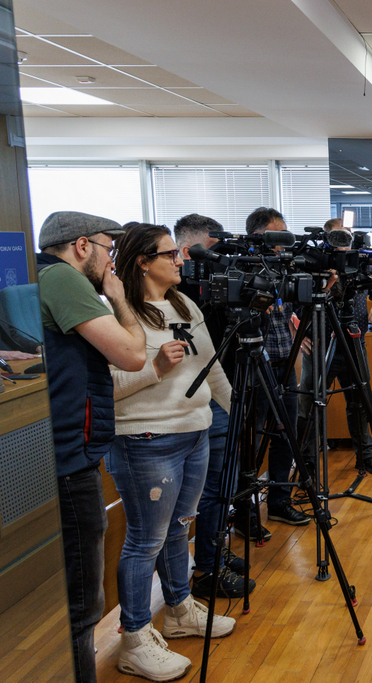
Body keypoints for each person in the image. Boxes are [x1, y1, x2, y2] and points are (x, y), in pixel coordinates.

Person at [107, 223, 236, 681]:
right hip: (145, 440)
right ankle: (134, 639)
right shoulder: (117, 313)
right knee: (145, 541)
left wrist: (236, 410)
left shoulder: (184, 304)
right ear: (143, 262)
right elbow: (108, 387)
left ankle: (179, 610)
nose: (180, 260)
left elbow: (211, 368)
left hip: (194, 432)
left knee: (180, 529)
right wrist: (156, 368)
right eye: (169, 254)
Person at [36, 211, 146, 683]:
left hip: (60, 450)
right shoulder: (63, 279)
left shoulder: (41, 276)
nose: (111, 262)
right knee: (83, 600)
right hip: (69, 456)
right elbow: (133, 354)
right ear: (82, 246)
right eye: (108, 249)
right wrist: (118, 299)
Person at [174, 214, 255, 599]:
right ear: (189, 252)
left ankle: (216, 553)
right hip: (200, 401)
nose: (222, 259)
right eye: (214, 251)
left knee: (225, 483)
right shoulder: (181, 297)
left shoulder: (217, 286)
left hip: (223, 391)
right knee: (213, 488)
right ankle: (207, 567)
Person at [296, 218, 372, 475]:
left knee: (360, 403)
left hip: (354, 342)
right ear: (326, 239)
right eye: (339, 237)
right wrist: (299, 332)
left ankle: (366, 456)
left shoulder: (359, 260)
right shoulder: (314, 263)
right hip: (320, 344)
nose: (345, 242)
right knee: (310, 405)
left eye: (347, 235)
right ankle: (307, 463)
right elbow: (295, 301)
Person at [246, 207, 310, 526]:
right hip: (256, 367)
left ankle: (279, 501)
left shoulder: (284, 269)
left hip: (285, 364)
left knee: (287, 434)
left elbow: (296, 308)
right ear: (258, 237)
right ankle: (245, 510)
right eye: (277, 235)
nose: (284, 242)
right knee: (252, 439)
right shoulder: (245, 272)